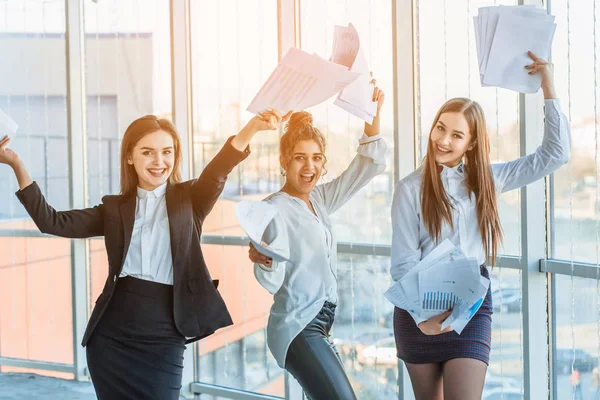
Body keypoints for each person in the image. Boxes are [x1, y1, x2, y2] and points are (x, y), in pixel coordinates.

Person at [0, 110, 290, 399]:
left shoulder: (191, 199)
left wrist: (252, 127)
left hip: (165, 334)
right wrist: (16, 163)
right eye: (148, 152)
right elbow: (52, 221)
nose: (159, 161)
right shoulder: (114, 209)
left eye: (167, 152)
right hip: (112, 335)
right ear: (130, 157)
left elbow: (220, 168)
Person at [390, 52, 570, 399]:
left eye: (457, 135)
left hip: (470, 304)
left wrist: (548, 83)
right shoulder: (410, 188)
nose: (443, 140)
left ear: (471, 143)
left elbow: (555, 154)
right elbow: (402, 262)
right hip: (419, 309)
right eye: (440, 128)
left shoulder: (489, 179)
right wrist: (421, 316)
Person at [247, 82, 387, 400]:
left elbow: (368, 166)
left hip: (322, 323)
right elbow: (270, 281)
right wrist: (266, 259)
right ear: (284, 161)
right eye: (300, 158)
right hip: (298, 325)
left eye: (316, 158)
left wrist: (373, 114)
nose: (309, 166)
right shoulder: (272, 209)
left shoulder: (320, 199)